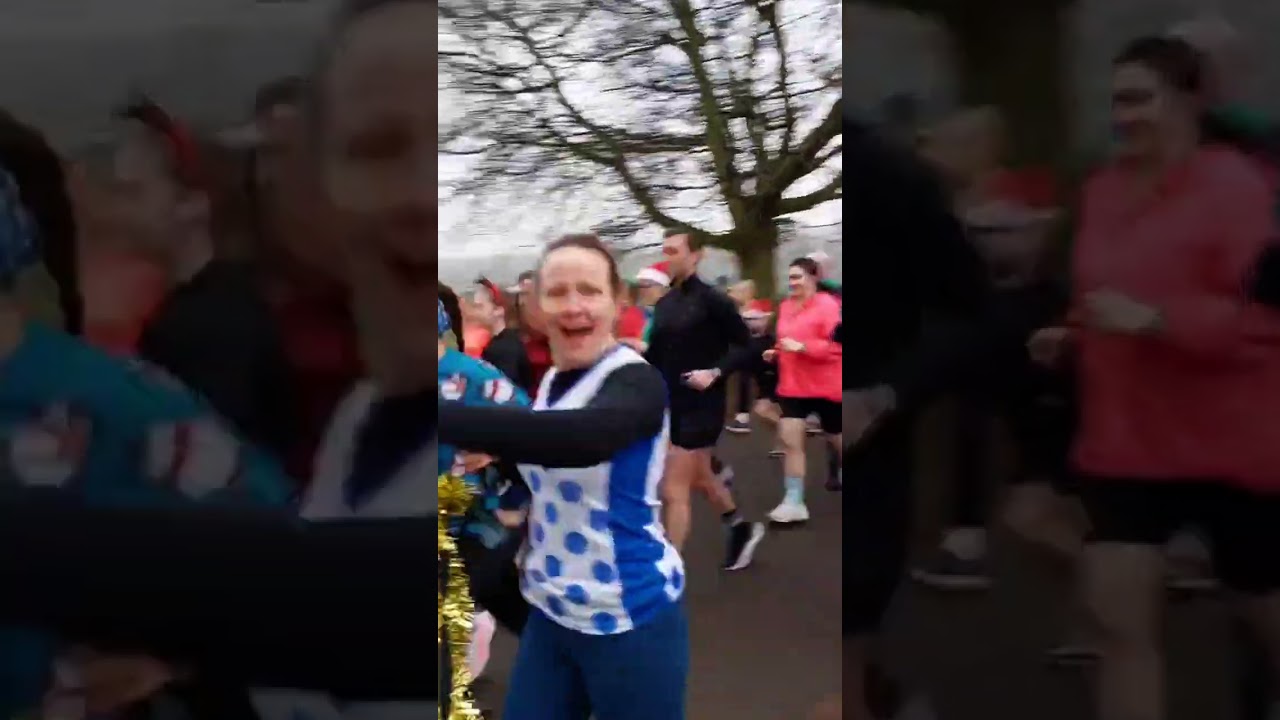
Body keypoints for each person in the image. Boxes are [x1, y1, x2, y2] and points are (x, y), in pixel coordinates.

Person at [1030, 36, 1280, 720]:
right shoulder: (1103, 191)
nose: (1123, 116)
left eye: (1139, 99)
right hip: (1127, 441)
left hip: (1231, 443)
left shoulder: (1239, 189)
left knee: (1263, 608)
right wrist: (1072, 332)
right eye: (1115, 102)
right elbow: (1102, 291)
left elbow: (1266, 320)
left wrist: (1159, 321)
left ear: (1190, 101)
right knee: (1118, 626)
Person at [439, 234, 687, 720]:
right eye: (557, 293)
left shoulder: (636, 380)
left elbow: (584, 440)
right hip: (551, 609)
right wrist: (503, 464)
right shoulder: (553, 380)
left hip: (627, 614)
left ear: (617, 302)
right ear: (535, 307)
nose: (574, 306)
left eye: (589, 290)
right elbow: (547, 457)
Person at [645, 228, 764, 571]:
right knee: (701, 478)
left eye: (674, 250)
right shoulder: (665, 304)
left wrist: (715, 372)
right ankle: (740, 527)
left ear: (696, 255)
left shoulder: (714, 300)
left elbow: (747, 345)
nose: (668, 257)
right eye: (665, 250)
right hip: (671, 404)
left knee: (674, 488)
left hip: (703, 405)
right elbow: (657, 355)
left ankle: (668, 571)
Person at [765, 257, 843, 523]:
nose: (792, 282)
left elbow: (838, 346)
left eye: (797, 277)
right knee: (791, 440)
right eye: (790, 277)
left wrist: (804, 348)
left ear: (813, 278)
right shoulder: (786, 306)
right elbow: (785, 338)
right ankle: (794, 500)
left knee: (838, 439)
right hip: (793, 385)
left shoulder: (829, 306)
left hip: (827, 385)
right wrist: (775, 351)